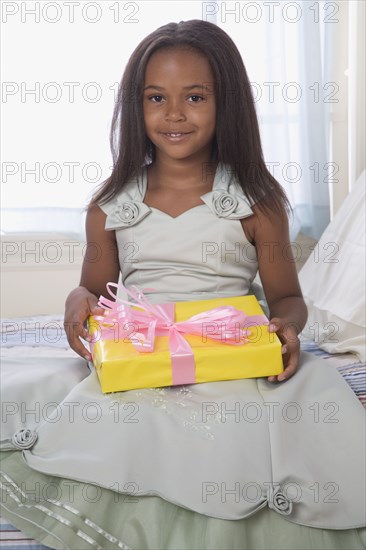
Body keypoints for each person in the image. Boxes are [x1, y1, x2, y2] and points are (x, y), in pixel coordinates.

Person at [1, 20, 365, 550]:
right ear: (136, 106)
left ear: (227, 104)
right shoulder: (111, 207)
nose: (173, 114)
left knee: (262, 431)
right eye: (156, 98)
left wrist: (285, 325)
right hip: (143, 350)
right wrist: (76, 300)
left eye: (195, 96)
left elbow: (287, 297)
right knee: (111, 421)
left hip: (231, 353)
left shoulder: (256, 202)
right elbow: (95, 291)